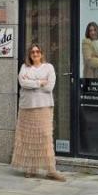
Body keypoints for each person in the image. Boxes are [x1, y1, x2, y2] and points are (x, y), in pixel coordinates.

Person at [11, 43, 66, 181]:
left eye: (37, 52)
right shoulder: (25, 67)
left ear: (41, 54)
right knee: (28, 138)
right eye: (32, 52)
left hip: (43, 106)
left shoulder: (49, 67)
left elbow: (49, 87)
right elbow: (23, 83)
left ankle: (51, 170)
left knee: (46, 136)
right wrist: (40, 82)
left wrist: (32, 82)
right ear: (30, 55)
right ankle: (31, 168)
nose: (35, 54)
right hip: (27, 107)